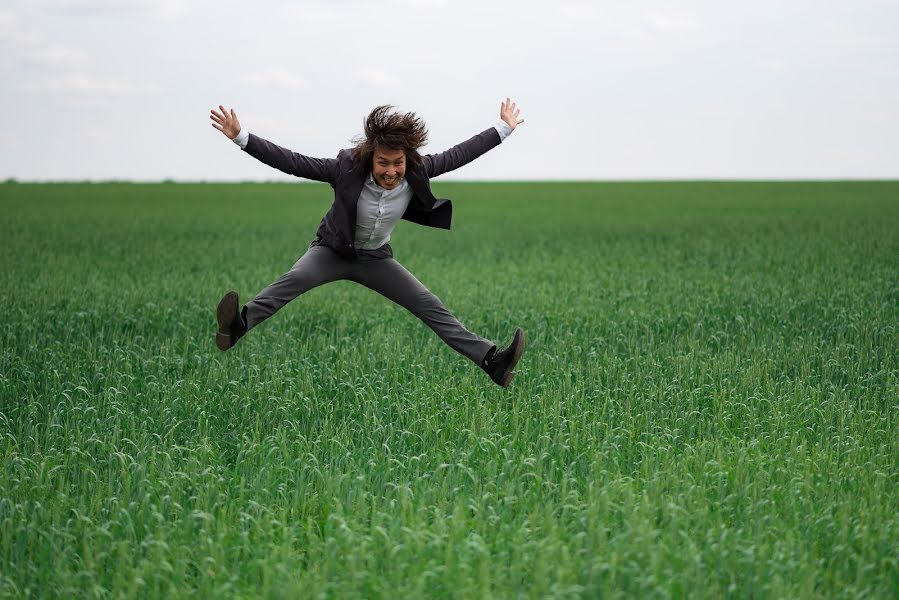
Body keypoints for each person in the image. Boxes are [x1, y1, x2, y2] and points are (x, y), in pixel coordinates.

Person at [209, 99, 526, 387]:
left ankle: (492, 362)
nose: (391, 171)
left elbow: (461, 153)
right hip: (332, 251)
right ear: (371, 159)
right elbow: (292, 161)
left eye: (397, 163)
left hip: (376, 259)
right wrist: (241, 137)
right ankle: (236, 327)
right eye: (383, 163)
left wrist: (504, 128)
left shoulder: (418, 169)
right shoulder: (344, 169)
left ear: (407, 159)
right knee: (293, 280)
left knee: (429, 305)